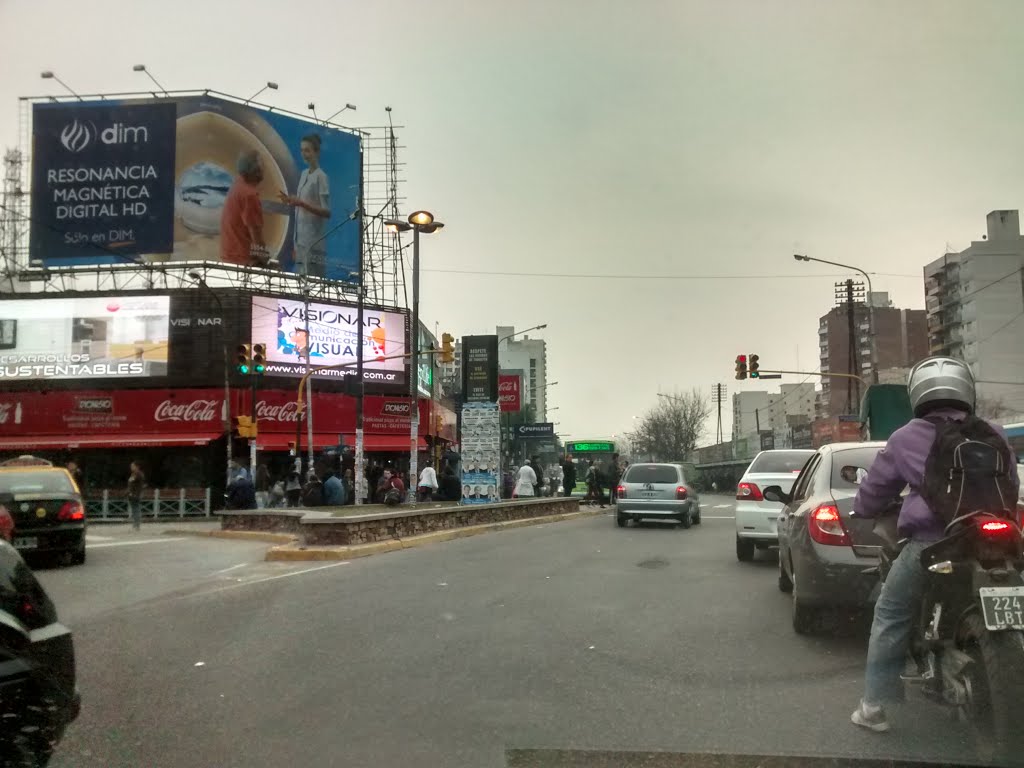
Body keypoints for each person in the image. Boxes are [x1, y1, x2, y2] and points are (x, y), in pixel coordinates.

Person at [849, 357, 1019, 733]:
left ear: (918, 393)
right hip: (998, 539)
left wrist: (864, 509)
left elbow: (873, 494)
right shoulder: (993, 431)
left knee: (890, 613)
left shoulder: (907, 436)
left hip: (936, 542)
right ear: (965, 390)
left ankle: (874, 707)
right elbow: (1011, 482)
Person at [279, 133, 331, 277]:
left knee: (314, 285)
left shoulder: (321, 177)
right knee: (301, 284)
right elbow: (302, 204)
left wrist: (301, 203)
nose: (304, 154)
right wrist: (292, 200)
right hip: (300, 242)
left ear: (316, 152)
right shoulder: (303, 174)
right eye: (302, 150)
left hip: (313, 244)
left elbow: (326, 212)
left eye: (307, 150)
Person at [220, 149, 270, 268]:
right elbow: (258, 243)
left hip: (229, 258)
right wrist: (269, 263)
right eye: (262, 164)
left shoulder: (237, 185)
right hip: (243, 262)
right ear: (256, 171)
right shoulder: (249, 195)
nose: (264, 168)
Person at [127, 461, 146, 530]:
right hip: (132, 494)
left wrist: (135, 493)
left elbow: (138, 485)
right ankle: (135, 524)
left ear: (137, 466)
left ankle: (137, 525)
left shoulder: (139, 474)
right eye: (131, 466)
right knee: (134, 510)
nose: (131, 467)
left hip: (136, 494)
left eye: (133, 466)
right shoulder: (133, 474)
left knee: (136, 509)